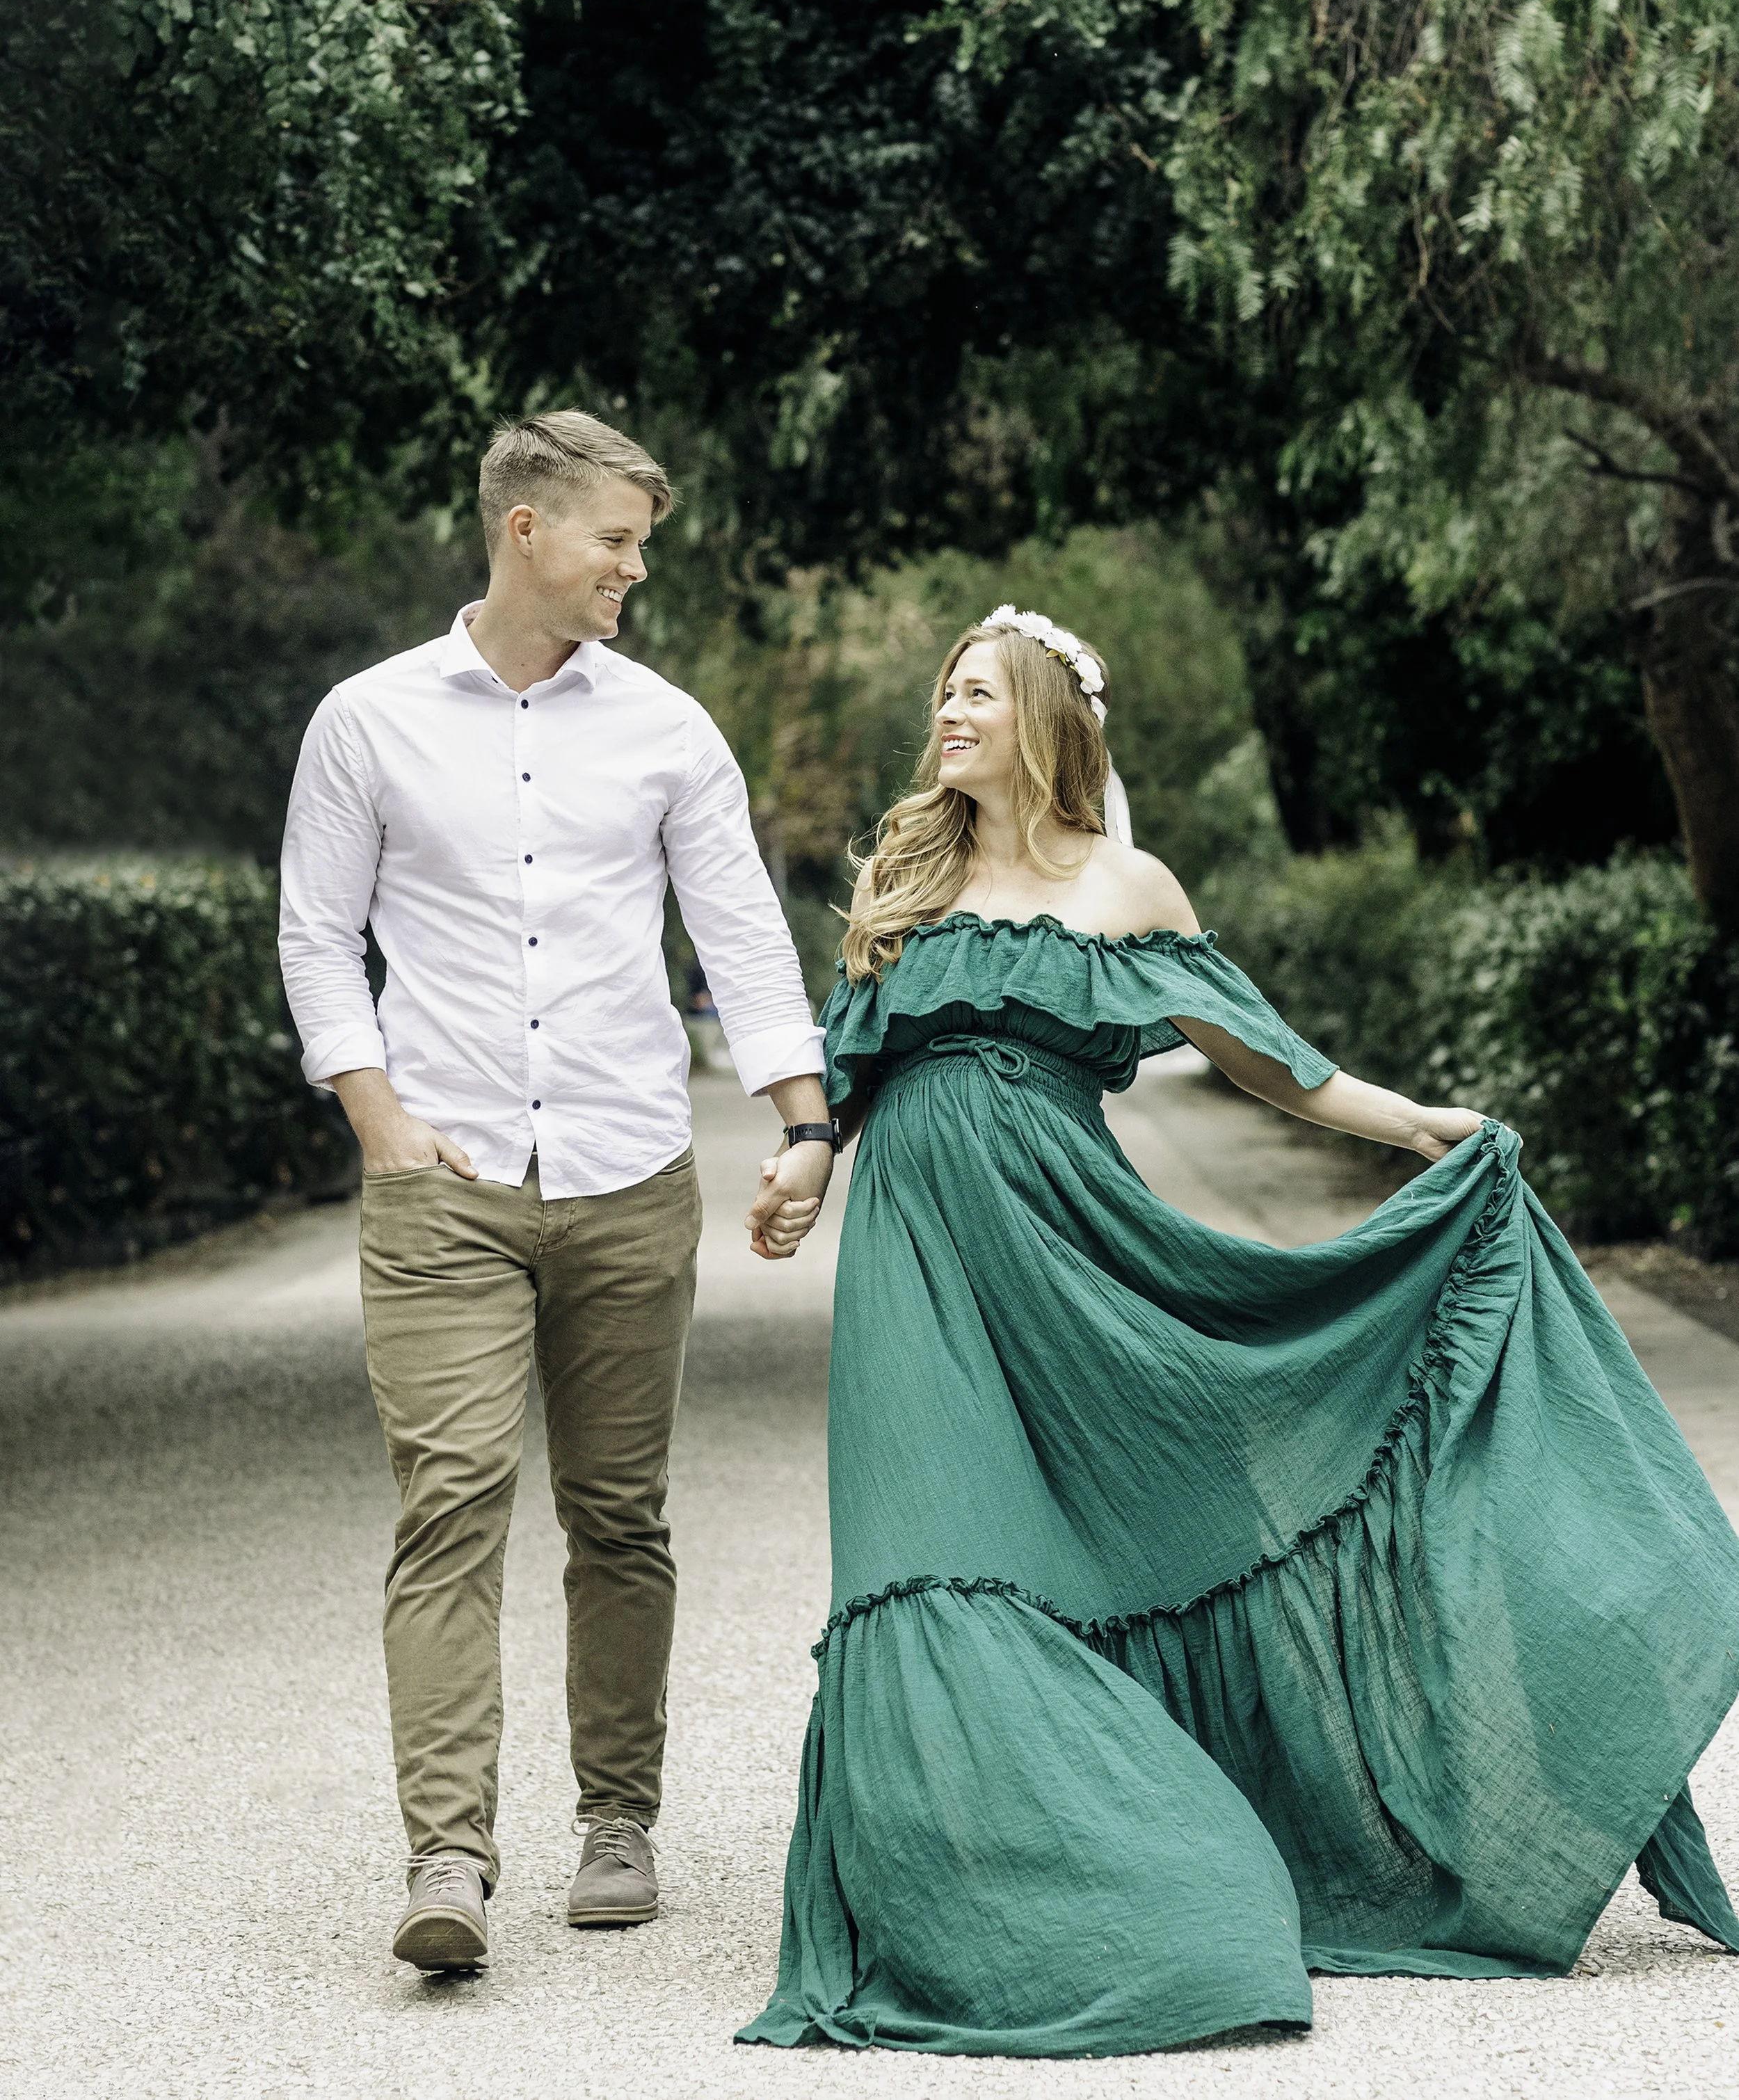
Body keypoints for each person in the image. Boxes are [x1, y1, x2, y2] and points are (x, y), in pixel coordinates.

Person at [739, 604, 1739, 2058]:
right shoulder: (909, 876)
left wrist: (1415, 1128)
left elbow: (1264, 1056)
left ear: (1041, 717)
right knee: (925, 1549)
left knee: (1140, 1510)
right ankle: (951, 1896)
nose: (944, 715)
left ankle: (1169, 1857)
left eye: (972, 693)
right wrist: (800, 1162)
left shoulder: (1125, 885)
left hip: (1072, 1251)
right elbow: (848, 1071)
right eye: (940, 693)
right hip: (915, 1264)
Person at [278, 410, 838, 1971]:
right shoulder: (368, 722)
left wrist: (805, 1121)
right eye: (615, 541)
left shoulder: (666, 729)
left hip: (624, 1168)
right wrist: (381, 1126)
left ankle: (616, 1821)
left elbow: (739, 935)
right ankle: (447, 1856)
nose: (632, 573)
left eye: (641, 546)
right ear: (525, 527)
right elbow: (319, 937)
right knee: (449, 1500)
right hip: (441, 1178)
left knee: (616, 1513)